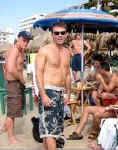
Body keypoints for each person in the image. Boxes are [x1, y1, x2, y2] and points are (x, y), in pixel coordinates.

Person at [35, 21, 71, 150]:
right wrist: (43, 94)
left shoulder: (67, 52)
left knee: (54, 130)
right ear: (52, 34)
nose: (60, 35)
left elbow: (67, 75)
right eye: (57, 33)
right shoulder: (44, 50)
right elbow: (38, 73)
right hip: (48, 91)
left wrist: (68, 93)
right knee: (50, 130)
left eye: (62, 33)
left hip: (61, 93)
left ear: (66, 34)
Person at [67, 73, 118, 140]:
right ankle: (77, 132)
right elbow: (117, 101)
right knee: (87, 108)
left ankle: (94, 132)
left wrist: (108, 107)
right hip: (113, 109)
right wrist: (110, 98)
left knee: (97, 114)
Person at [0, 31, 32, 145]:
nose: (26, 43)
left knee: (14, 109)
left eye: (28, 41)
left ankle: (4, 127)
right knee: (12, 113)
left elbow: (5, 66)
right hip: (14, 83)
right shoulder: (14, 50)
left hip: (15, 83)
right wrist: (22, 80)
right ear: (18, 38)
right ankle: (11, 138)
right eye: (24, 40)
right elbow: (11, 69)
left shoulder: (19, 50)